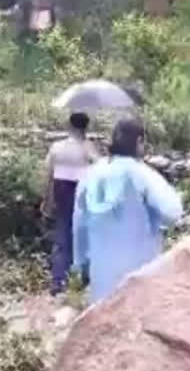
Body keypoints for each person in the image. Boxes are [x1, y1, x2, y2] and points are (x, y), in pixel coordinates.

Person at [72, 118, 183, 305]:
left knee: (102, 323)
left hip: (102, 272)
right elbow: (173, 212)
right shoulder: (144, 175)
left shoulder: (91, 175)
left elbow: (79, 223)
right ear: (139, 141)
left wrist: (81, 262)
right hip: (140, 271)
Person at [42, 111, 98, 295]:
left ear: (69, 126)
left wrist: (46, 199)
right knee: (83, 236)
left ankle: (58, 281)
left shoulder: (57, 147)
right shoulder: (88, 147)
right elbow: (98, 169)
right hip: (83, 193)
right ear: (85, 127)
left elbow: (48, 174)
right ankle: (79, 281)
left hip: (61, 191)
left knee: (62, 234)